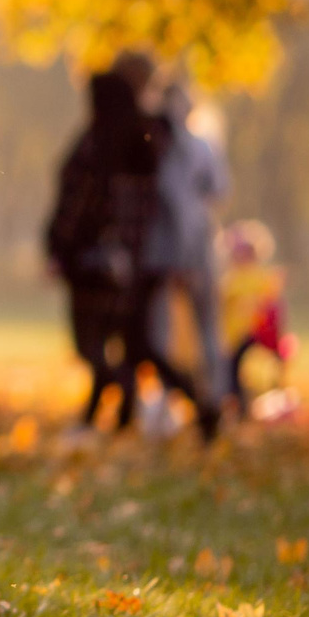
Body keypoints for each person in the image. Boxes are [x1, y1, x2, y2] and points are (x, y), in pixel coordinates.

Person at [45, 58, 218, 441]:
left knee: (96, 345)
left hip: (97, 262)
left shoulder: (99, 143)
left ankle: (113, 409)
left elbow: (78, 203)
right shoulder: (152, 138)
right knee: (138, 346)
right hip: (143, 261)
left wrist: (58, 246)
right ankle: (185, 404)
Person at [149, 79, 231, 404]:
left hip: (190, 249)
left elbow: (218, 189)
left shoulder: (195, 146)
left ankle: (213, 395)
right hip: (171, 250)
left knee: (198, 327)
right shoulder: (174, 147)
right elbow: (219, 189)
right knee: (165, 331)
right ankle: (176, 396)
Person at [221, 220, 296, 406]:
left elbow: (272, 304)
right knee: (232, 365)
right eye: (238, 254)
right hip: (236, 335)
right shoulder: (231, 280)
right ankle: (237, 397)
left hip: (257, 332)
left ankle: (270, 391)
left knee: (237, 363)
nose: (241, 258)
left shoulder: (259, 278)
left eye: (246, 254)